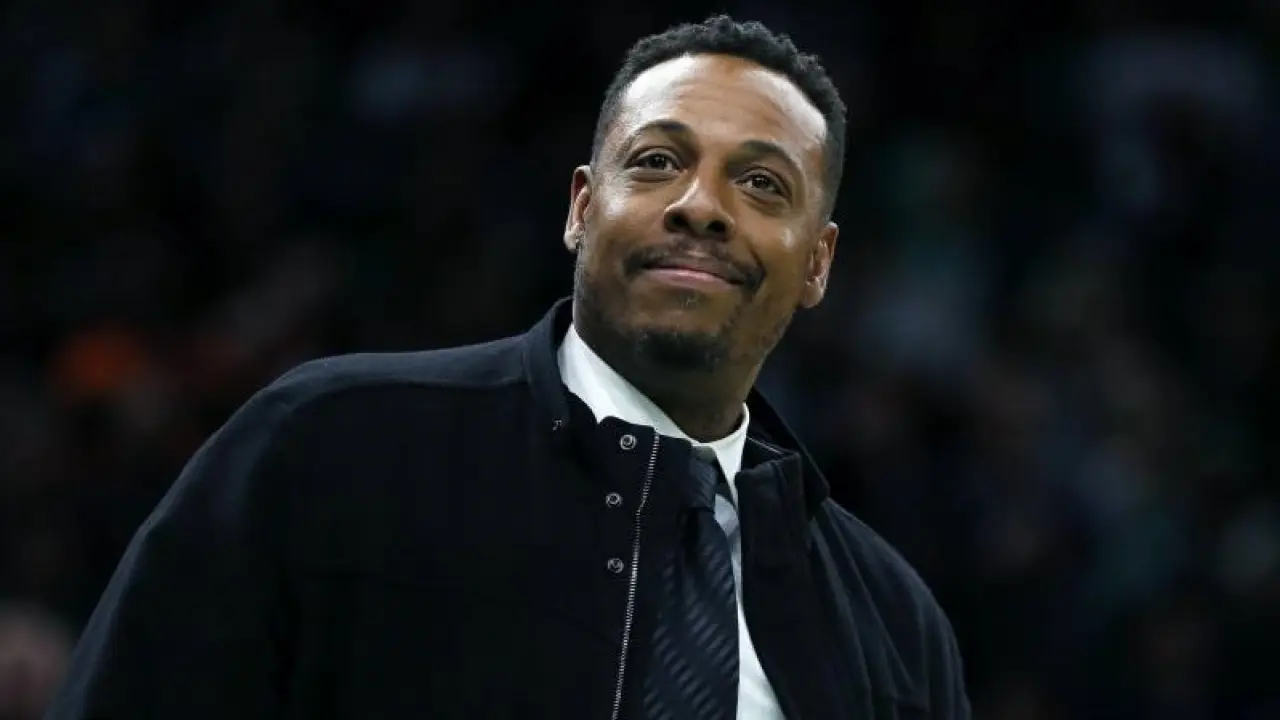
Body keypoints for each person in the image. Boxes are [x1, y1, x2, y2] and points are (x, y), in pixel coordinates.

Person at [45, 15, 970, 720]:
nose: (701, 206)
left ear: (818, 263)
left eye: (762, 183)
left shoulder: (893, 625)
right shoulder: (330, 448)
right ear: (581, 208)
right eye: (657, 161)